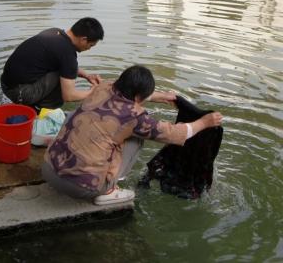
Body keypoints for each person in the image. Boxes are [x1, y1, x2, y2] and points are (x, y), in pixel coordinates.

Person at [42, 65, 223, 206]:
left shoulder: (102, 87)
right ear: (138, 96)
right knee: (136, 138)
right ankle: (109, 190)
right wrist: (205, 122)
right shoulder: (136, 118)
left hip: (49, 169)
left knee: (78, 118)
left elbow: (124, 91)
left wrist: (158, 96)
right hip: (81, 187)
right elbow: (176, 133)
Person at [1, 17, 104, 111]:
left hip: (7, 85)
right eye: (90, 45)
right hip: (20, 94)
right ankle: (43, 111)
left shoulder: (54, 32)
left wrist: (86, 76)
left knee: (65, 72)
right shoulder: (67, 53)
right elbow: (69, 96)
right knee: (64, 77)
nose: (89, 49)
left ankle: (38, 105)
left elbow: (67, 66)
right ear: (84, 39)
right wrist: (92, 91)